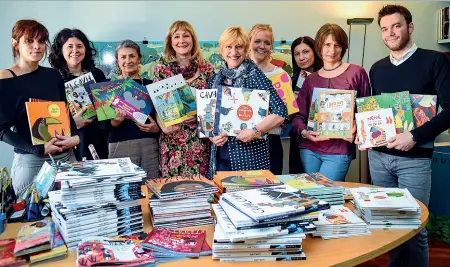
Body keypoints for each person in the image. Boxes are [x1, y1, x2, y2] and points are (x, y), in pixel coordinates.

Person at [360, 5, 450, 267]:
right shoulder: (376, 68)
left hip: (415, 158)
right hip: (379, 158)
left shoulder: (435, 60)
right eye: (385, 29)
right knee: (388, 224)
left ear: (410, 27)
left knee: (413, 228)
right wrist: (366, 134)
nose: (390, 33)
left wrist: (414, 135)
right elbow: (376, 112)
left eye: (396, 26)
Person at [0, 20, 79, 198]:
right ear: (15, 43)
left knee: (72, 216)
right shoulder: (5, 79)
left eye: (41, 41)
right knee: (31, 220)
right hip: (32, 163)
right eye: (29, 41)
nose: (37, 46)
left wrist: (76, 138)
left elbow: (66, 112)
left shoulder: (53, 75)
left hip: (67, 158)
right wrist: (39, 150)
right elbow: (1, 130)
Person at [292, 23, 370, 181]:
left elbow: (367, 110)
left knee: (326, 194)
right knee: (313, 195)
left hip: (339, 150)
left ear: (343, 47)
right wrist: (304, 132)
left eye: (337, 45)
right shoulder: (311, 80)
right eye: (327, 45)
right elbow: (299, 116)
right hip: (309, 149)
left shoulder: (356, 72)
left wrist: (358, 126)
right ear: (319, 46)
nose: (332, 51)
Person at [207, 26, 288, 179]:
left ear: (246, 49)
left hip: (249, 159)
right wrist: (212, 136)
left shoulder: (254, 75)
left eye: (239, 47)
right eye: (228, 47)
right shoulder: (216, 78)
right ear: (222, 50)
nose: (233, 52)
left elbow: (280, 111)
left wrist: (254, 131)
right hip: (219, 158)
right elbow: (208, 117)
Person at [153, 21, 214, 178]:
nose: (182, 41)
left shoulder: (207, 69)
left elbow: (213, 105)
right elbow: (157, 105)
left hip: (198, 140)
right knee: (171, 190)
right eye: (177, 36)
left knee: (199, 188)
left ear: (193, 39)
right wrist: (162, 126)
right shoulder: (161, 68)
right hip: (171, 139)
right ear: (170, 42)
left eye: (186, 35)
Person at [49, 28, 109, 161]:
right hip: (70, 141)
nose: (75, 51)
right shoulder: (53, 79)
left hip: (97, 137)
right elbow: (50, 115)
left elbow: (106, 109)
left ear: (86, 50)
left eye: (79, 46)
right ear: (60, 50)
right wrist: (73, 122)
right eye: (69, 46)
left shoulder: (97, 74)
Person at [109, 40, 160, 178]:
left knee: (151, 187)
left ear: (139, 59)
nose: (128, 60)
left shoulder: (152, 85)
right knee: (123, 191)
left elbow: (162, 116)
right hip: (120, 144)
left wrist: (156, 128)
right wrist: (115, 122)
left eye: (132, 56)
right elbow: (102, 125)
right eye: (123, 57)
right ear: (118, 61)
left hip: (149, 144)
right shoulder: (108, 87)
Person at [248, 24, 288, 175]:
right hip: (243, 141)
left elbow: (287, 114)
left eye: (267, 42)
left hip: (271, 140)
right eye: (257, 41)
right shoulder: (237, 72)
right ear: (249, 42)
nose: (262, 46)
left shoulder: (281, 76)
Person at [289, 36, 323, 174]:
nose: (301, 57)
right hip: (298, 139)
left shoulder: (327, 77)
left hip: (323, 138)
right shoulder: (291, 81)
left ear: (315, 52)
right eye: (297, 54)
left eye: (306, 52)